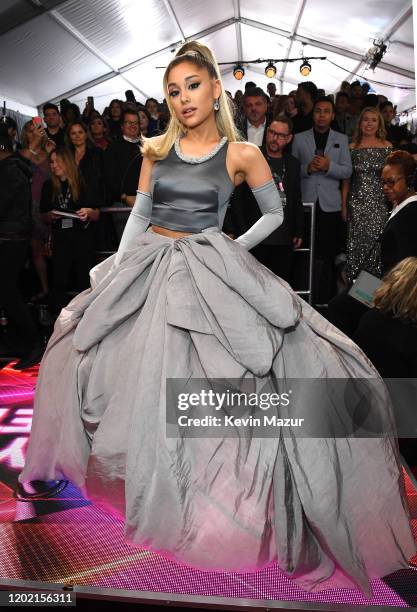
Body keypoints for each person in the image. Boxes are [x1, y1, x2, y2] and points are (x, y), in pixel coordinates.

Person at [18, 41, 415, 597]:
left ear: (214, 88)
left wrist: (231, 247)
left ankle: (213, 499)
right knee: (87, 349)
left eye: (193, 86)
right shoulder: (154, 151)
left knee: (221, 372)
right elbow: (139, 215)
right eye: (173, 91)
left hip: (206, 263)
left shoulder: (241, 154)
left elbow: (276, 214)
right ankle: (137, 482)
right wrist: (115, 270)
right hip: (151, 262)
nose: (183, 99)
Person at [327, 150, 417, 336]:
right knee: (340, 303)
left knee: (339, 308)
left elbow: (404, 267)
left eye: (391, 182)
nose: (385, 187)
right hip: (384, 281)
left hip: (394, 287)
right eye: (383, 182)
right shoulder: (401, 208)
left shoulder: (410, 213)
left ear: (410, 180)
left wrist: (373, 286)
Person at [227, 115, 303, 283]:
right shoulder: (252, 156)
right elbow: (237, 199)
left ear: (289, 138)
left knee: (280, 285)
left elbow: (296, 199)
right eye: (272, 132)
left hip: (283, 237)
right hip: (255, 235)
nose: (275, 138)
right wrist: (241, 231)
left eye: (281, 135)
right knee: (252, 285)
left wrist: (298, 230)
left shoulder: (292, 163)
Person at [292, 96, 352, 303]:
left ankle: (324, 300)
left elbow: (347, 171)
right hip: (306, 204)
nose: (322, 115)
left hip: (330, 206)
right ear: (313, 114)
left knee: (327, 255)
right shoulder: (299, 138)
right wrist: (306, 168)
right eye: (318, 111)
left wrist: (329, 166)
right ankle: (301, 297)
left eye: (326, 111)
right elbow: (290, 172)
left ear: (333, 115)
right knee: (303, 254)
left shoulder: (341, 139)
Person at [0, 130, 44, 370]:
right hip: (12, 237)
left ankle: (34, 342)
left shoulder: (10, 172)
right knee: (8, 292)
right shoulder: (15, 167)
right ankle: (20, 340)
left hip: (11, 239)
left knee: (8, 292)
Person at [39, 148, 100, 316]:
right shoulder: (48, 186)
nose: (54, 165)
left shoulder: (83, 182)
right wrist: (50, 216)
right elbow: (43, 215)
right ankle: (59, 321)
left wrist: (88, 212)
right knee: (59, 281)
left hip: (82, 237)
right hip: (61, 238)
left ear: (68, 162)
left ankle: (88, 318)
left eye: (58, 161)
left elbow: (96, 213)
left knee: (85, 279)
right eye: (51, 162)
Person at [342, 107, 392, 283]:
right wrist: (344, 206)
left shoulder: (387, 147)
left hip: (380, 205)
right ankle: (353, 294)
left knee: (376, 248)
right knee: (356, 247)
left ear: (379, 124)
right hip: (356, 205)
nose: (369, 123)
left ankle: (373, 294)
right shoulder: (351, 147)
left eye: (373, 120)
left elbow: (391, 179)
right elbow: (346, 180)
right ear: (360, 122)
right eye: (366, 120)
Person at [20, 120, 55, 301]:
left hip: (49, 205)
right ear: (25, 134)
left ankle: (57, 287)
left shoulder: (50, 153)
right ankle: (44, 288)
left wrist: (50, 154)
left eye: (37, 131)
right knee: (36, 251)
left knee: (54, 249)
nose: (34, 134)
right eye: (30, 131)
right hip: (28, 207)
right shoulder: (21, 155)